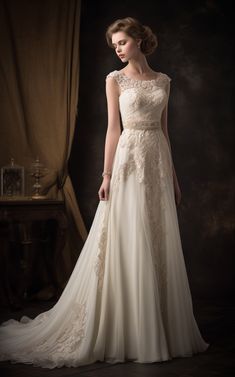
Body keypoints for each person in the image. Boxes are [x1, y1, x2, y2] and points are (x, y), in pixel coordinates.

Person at [0, 17, 209, 369]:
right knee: (128, 237)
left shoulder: (164, 81)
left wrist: (173, 178)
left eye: (122, 42)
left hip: (157, 161)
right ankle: (126, 327)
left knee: (156, 237)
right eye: (114, 45)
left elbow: (165, 131)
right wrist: (106, 175)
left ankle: (157, 327)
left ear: (140, 41)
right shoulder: (114, 79)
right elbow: (113, 129)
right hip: (128, 161)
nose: (118, 49)